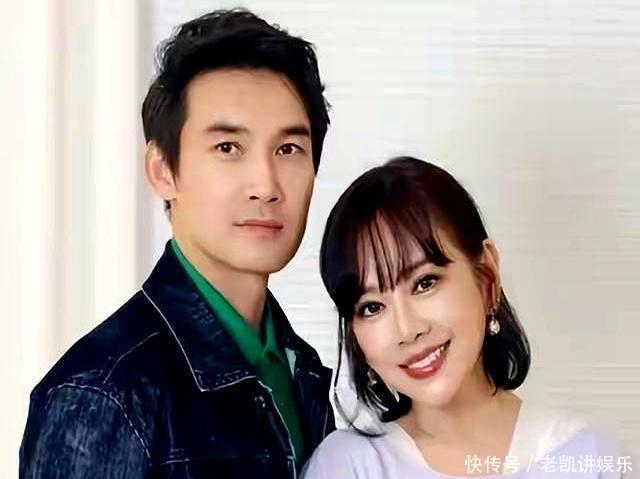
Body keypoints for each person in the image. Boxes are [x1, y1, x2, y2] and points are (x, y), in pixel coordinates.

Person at [20, 9, 335, 478]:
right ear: (162, 170)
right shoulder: (103, 393)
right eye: (228, 148)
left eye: (288, 149)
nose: (266, 186)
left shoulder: (306, 372)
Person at [303, 157, 623, 478]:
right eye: (372, 307)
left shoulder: (587, 456)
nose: (407, 330)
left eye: (425, 283)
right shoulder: (346, 467)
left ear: (486, 276)